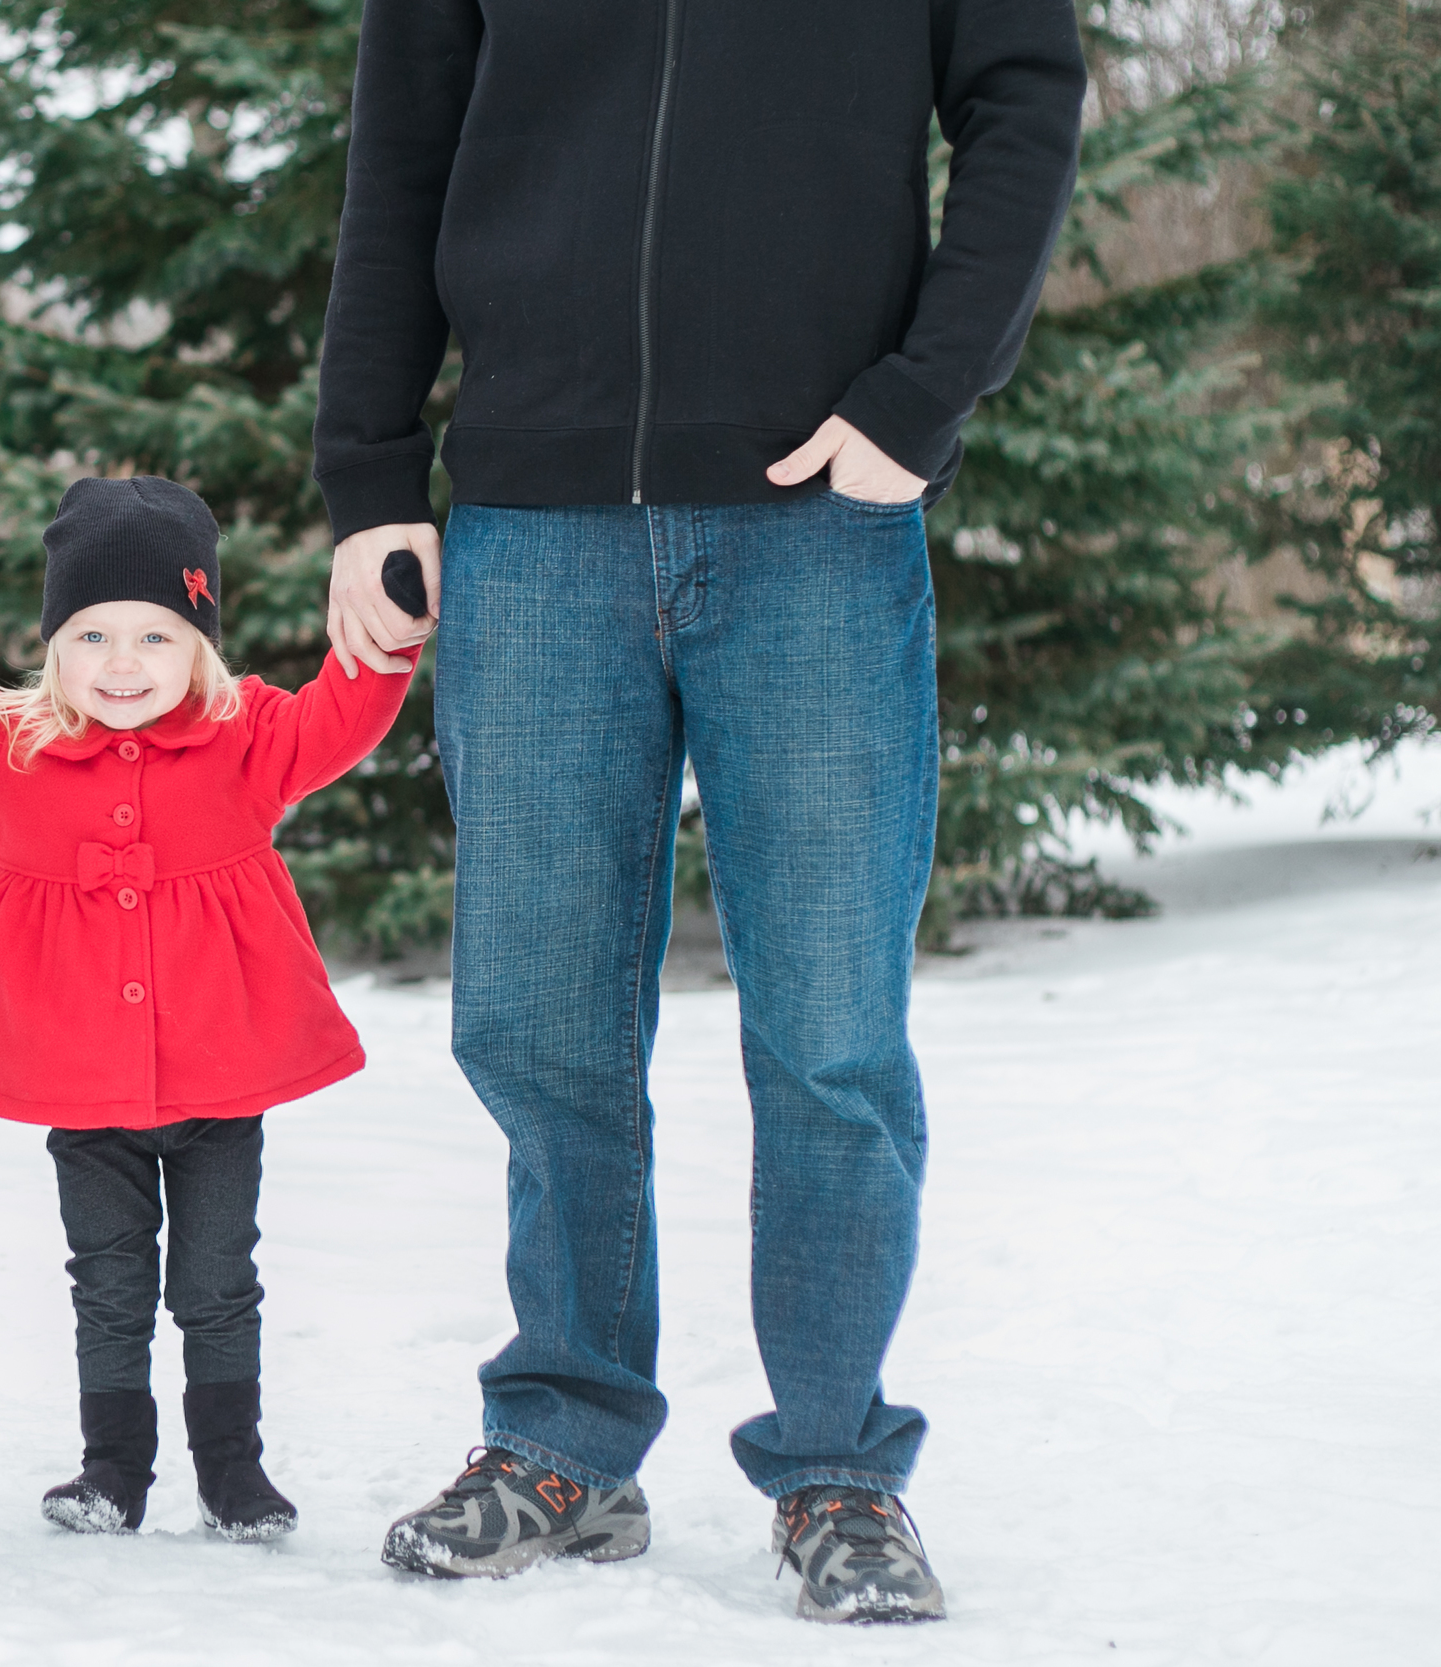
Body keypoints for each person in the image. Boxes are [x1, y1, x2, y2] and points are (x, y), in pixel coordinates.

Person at [310, 0, 1086, 1622]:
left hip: (813, 521)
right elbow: (399, 157)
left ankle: (838, 1470)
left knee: (828, 1029)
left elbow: (1024, 99)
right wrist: (373, 474)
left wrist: (924, 391)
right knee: (537, 1023)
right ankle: (563, 1445)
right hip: (535, 524)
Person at [0, 477, 415, 1541]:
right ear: (52, 645)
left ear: (198, 643)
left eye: (154, 637)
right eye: (92, 634)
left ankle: (232, 1471)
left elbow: (344, 715)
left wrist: (383, 633)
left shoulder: (245, 735)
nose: (120, 664)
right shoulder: (4, 745)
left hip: (219, 1074)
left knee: (215, 1282)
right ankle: (111, 1468)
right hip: (84, 1083)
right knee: (108, 1283)